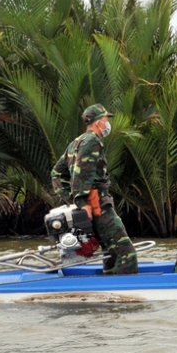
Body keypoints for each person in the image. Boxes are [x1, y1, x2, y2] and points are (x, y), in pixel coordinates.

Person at [51, 104, 138, 275]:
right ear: (98, 123)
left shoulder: (76, 142)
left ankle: (109, 287)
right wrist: (83, 203)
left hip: (92, 205)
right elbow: (82, 174)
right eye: (106, 119)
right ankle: (125, 294)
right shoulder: (92, 141)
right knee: (126, 253)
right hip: (98, 206)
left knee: (111, 252)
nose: (107, 123)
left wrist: (72, 200)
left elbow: (56, 174)